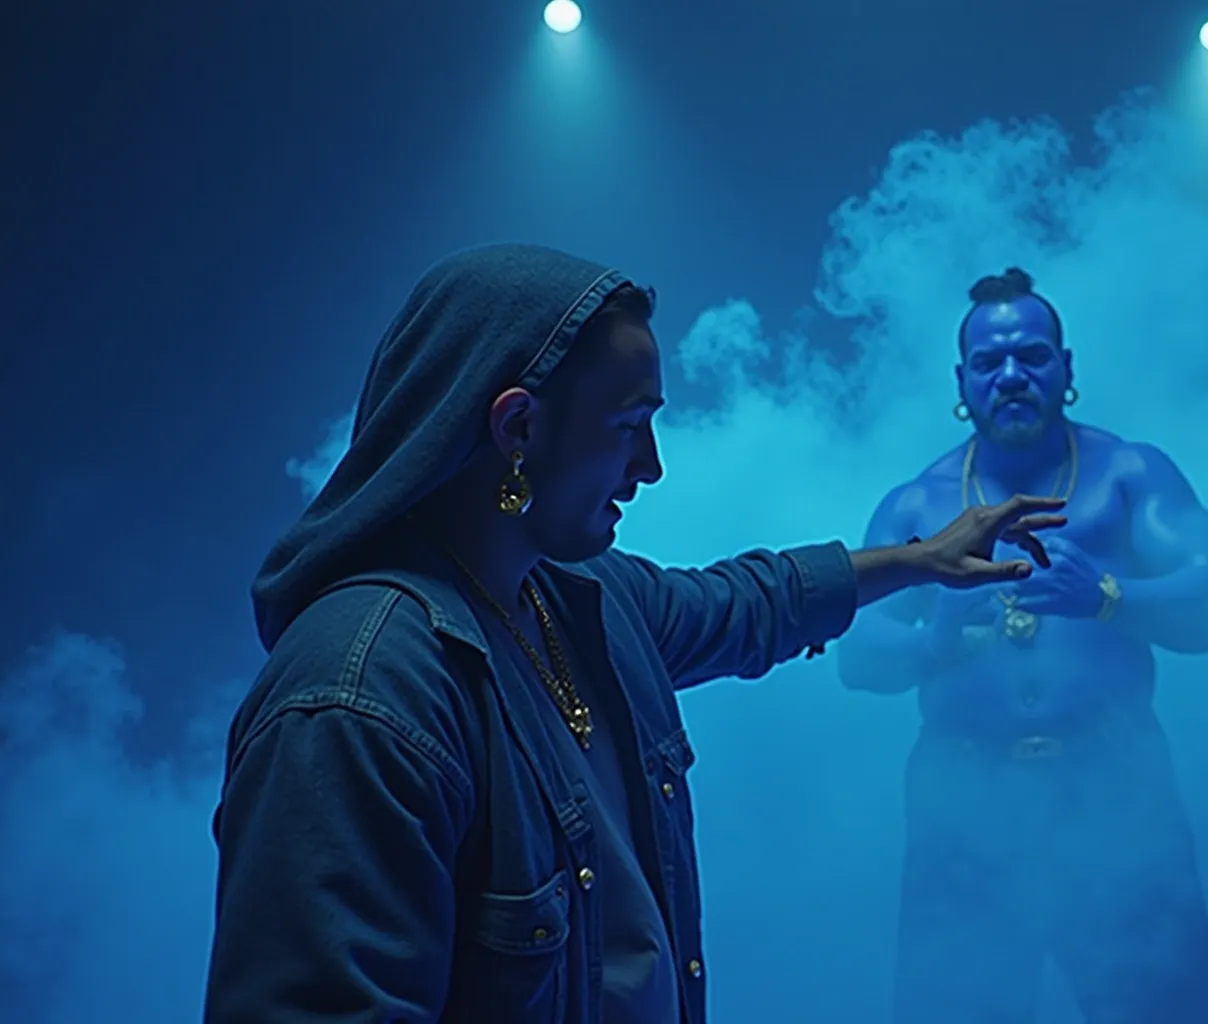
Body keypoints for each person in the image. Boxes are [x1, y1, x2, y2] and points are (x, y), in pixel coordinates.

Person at [202, 243, 1066, 1024]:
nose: (650, 465)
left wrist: (922, 560)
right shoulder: (359, 697)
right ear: (517, 428)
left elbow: (747, 603)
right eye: (627, 426)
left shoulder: (580, 598)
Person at [837, 267, 1208, 1024]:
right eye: (989, 362)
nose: (1011, 376)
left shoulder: (1128, 475)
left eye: (1031, 355)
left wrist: (1108, 597)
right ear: (962, 382)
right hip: (967, 814)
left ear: (1065, 367)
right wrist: (936, 644)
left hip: (1117, 797)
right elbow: (855, 655)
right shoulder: (918, 504)